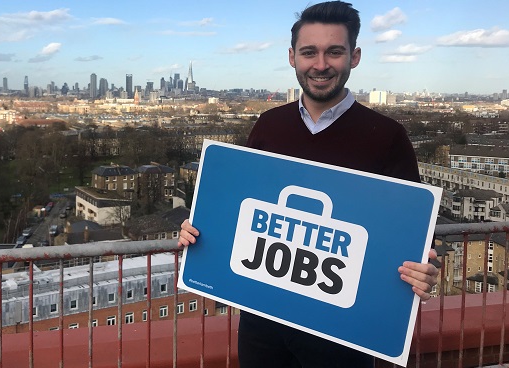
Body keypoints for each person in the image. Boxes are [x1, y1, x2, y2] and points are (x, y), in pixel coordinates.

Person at [177, 1, 439, 367]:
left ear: (355, 56)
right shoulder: (268, 126)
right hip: (262, 327)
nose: (320, 65)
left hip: (343, 336)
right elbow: (242, 212)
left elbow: (413, 236)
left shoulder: (388, 137)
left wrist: (424, 269)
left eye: (334, 52)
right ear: (292, 57)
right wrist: (201, 232)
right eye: (309, 52)